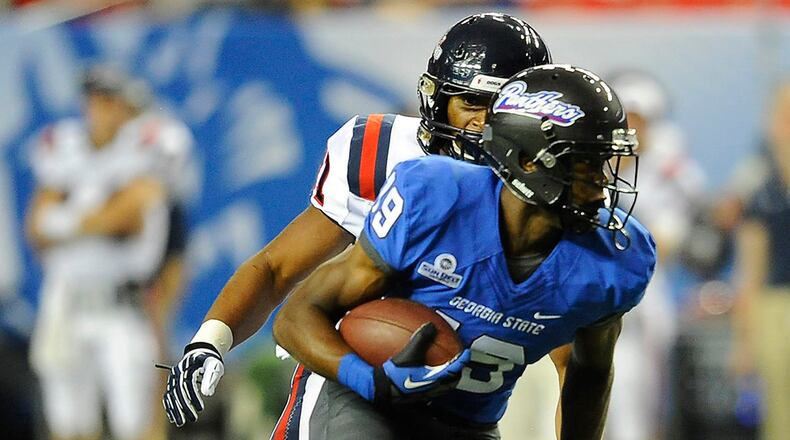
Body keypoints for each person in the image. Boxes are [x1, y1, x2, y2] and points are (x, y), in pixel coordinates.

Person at [162, 11, 556, 429]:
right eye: (471, 102)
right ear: (438, 100)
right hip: (354, 378)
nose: (482, 123)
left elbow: (578, 368)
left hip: (468, 410)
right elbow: (277, 267)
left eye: (502, 107)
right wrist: (211, 340)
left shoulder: (553, 196)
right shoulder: (383, 154)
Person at [267, 65, 655, 439]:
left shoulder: (615, 258)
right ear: (528, 162)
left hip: (469, 426)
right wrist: (371, 380)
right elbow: (296, 317)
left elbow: (589, 374)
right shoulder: (435, 197)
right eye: (586, 164)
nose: (603, 184)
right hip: (368, 401)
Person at [25, 65, 193, 440]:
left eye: (108, 100)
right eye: (94, 100)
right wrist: (96, 214)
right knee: (67, 423)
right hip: (66, 303)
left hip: (125, 305)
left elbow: (129, 215)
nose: (99, 109)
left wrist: (68, 219)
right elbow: (36, 225)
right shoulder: (63, 144)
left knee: (134, 422)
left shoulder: (151, 142)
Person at [604, 71, 706, 440]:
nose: (630, 128)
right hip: (590, 293)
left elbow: (666, 240)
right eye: (624, 117)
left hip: (642, 299)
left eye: (638, 119)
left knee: (638, 404)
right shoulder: (590, 162)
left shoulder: (667, 170)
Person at [731, 80, 790, 440]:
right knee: (781, 414)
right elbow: (749, 269)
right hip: (776, 305)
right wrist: (745, 341)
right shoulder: (760, 188)